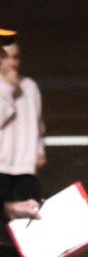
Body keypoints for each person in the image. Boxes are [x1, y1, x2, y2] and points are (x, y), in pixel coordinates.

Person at [0, 35, 46, 207]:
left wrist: (40, 149)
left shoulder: (29, 86)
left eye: (16, 57)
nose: (12, 62)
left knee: (30, 221)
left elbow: (38, 123)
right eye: (6, 57)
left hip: (25, 167)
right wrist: (6, 88)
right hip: (1, 167)